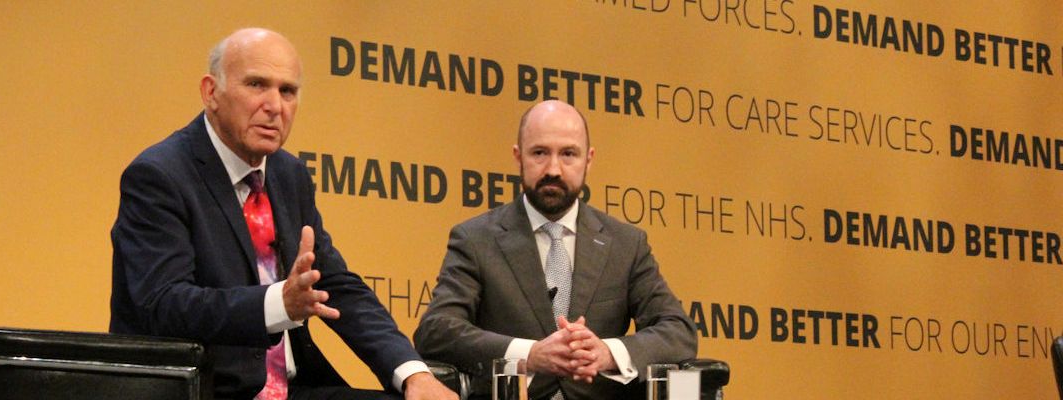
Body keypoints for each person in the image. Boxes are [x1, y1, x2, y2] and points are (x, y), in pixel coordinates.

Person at [109, 28, 457, 400]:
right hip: (206, 389)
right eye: (256, 85)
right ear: (211, 92)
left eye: (287, 91)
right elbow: (164, 304)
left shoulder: (289, 175)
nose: (275, 106)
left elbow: (336, 286)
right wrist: (279, 304)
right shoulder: (160, 175)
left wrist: (412, 373)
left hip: (294, 388)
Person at [413, 100, 698, 399]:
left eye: (568, 154)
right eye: (539, 153)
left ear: (588, 160)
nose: (553, 169)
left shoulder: (626, 244)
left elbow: (678, 331)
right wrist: (529, 355)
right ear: (518, 157)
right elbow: (436, 330)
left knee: (688, 388)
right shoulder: (475, 239)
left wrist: (607, 353)